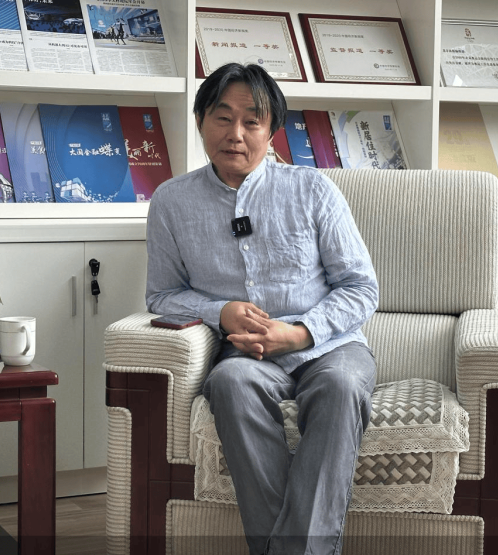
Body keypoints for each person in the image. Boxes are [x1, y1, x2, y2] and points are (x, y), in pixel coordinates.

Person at [145, 62, 379, 555]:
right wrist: (221, 311)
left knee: (340, 387)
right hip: (245, 355)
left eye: (252, 121)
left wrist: (299, 333)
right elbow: (161, 296)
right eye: (222, 117)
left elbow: (360, 287)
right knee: (228, 383)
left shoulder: (312, 189)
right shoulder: (171, 201)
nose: (235, 133)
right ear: (200, 120)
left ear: (271, 131)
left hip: (330, 348)